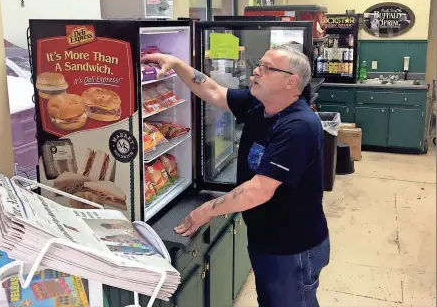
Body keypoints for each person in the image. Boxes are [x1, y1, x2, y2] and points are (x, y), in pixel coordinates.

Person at [141, 46, 330, 307]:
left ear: (291, 81)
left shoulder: (299, 126)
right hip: (267, 237)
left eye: (267, 68)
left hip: (293, 246)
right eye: (258, 64)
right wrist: (176, 64)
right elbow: (213, 91)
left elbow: (259, 190)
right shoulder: (259, 104)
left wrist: (206, 210)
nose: (256, 70)